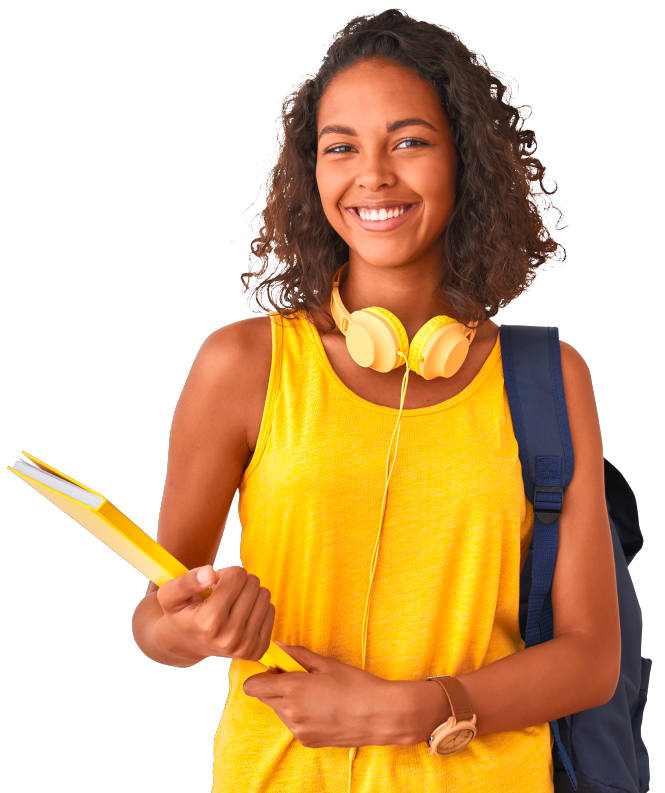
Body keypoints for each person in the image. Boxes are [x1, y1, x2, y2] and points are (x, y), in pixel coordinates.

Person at [132, 9, 621, 793]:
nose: (373, 174)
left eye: (409, 140)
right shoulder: (242, 363)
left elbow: (593, 657)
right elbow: (155, 619)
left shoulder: (549, 377)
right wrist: (191, 626)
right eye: (340, 147)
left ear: (466, 161)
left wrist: (401, 712)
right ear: (311, 172)